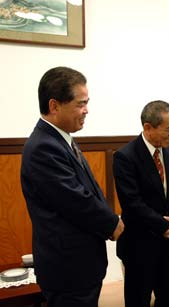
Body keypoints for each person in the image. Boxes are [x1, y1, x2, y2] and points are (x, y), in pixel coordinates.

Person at [20, 66, 125, 307]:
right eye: (80, 104)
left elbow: (89, 191)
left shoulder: (60, 139)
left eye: (87, 102)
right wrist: (113, 224)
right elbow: (76, 201)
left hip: (80, 266)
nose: (86, 110)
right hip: (68, 269)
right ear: (54, 106)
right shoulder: (43, 148)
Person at [113, 100, 169, 307]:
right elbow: (132, 204)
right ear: (148, 127)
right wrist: (166, 226)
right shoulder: (125, 157)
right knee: (139, 300)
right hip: (139, 245)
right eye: (168, 129)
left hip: (168, 243)